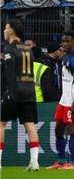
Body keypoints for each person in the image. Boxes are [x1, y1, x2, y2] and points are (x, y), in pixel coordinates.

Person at [1, 19, 41, 170]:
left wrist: (8, 93)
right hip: (29, 91)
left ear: (12, 30)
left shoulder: (9, 49)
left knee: (1, 123)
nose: (4, 30)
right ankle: (35, 162)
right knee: (29, 125)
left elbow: (10, 73)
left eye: (6, 28)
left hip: (15, 90)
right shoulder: (28, 49)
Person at [49, 31, 74, 170]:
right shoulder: (66, 56)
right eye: (63, 41)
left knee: (71, 128)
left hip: (72, 101)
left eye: (68, 41)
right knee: (58, 129)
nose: (64, 44)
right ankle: (61, 161)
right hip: (64, 99)